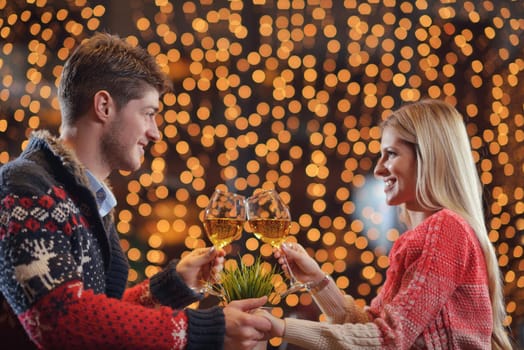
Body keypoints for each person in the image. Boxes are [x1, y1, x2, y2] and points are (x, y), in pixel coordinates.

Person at [0, 32, 270, 349]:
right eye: (149, 114)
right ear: (103, 106)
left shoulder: (85, 199)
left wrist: (169, 288)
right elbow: (61, 321)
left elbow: (99, 320)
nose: (155, 133)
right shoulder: (23, 187)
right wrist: (206, 329)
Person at [258, 99, 513, 349]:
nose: (379, 169)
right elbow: (372, 328)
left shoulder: (445, 229)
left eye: (390, 154)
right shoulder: (429, 234)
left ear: (428, 157)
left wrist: (280, 328)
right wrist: (316, 280)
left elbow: (388, 340)